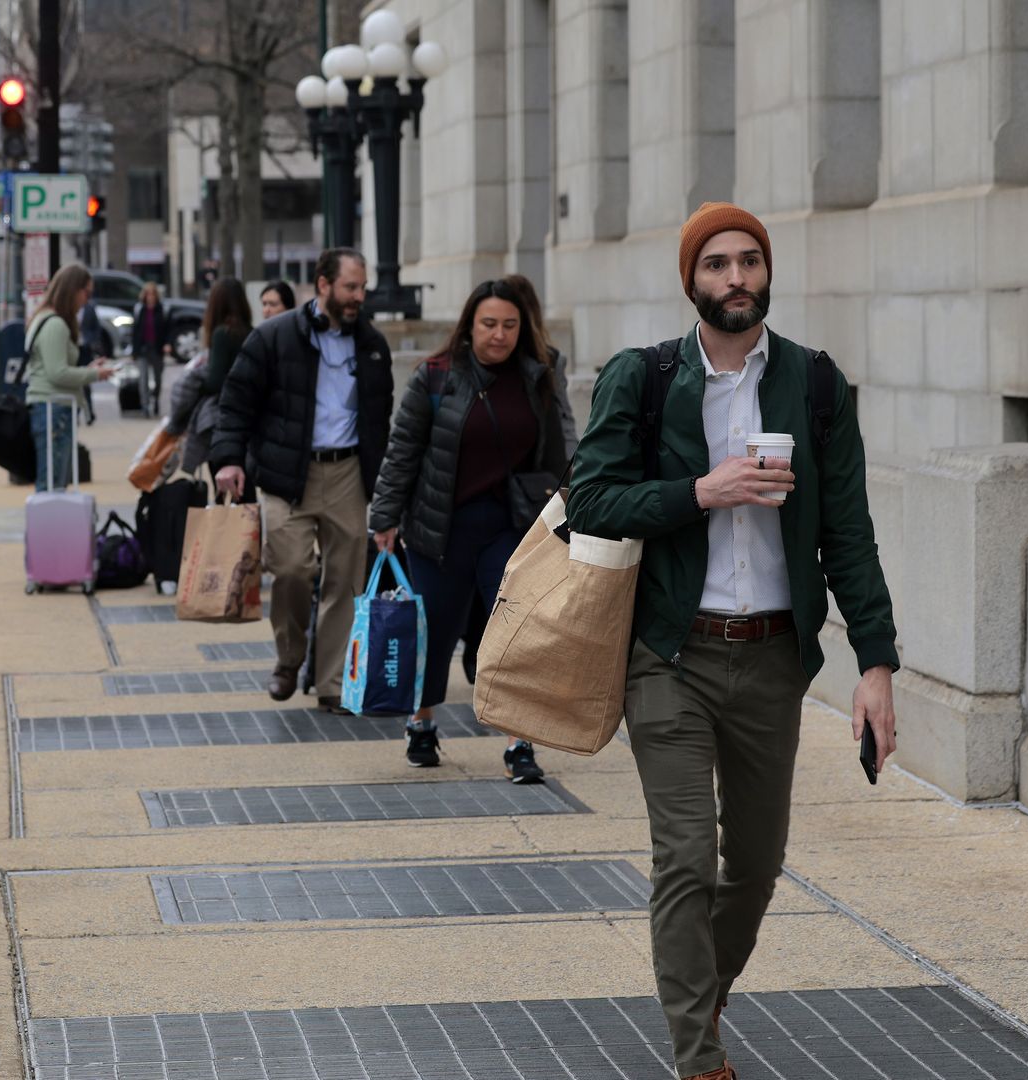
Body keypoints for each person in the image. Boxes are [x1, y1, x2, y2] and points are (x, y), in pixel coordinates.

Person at [567, 202, 899, 1080]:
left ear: (767, 274)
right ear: (692, 281)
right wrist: (700, 491)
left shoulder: (815, 383)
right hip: (669, 652)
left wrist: (875, 664)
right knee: (684, 857)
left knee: (753, 864)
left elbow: (849, 534)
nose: (736, 278)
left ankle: (700, 984)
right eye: (716, 264)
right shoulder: (643, 377)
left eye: (748, 261)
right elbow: (591, 501)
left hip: (772, 658)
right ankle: (699, 1055)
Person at [368, 281, 572, 778]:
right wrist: (384, 518)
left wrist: (574, 504)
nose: (498, 335)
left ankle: (519, 741)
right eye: (488, 324)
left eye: (509, 325)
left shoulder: (540, 376)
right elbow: (402, 452)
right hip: (440, 528)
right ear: (469, 325)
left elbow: (564, 445)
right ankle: (421, 724)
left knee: (513, 633)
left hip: (510, 527)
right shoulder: (435, 377)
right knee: (435, 631)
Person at [211, 249, 394, 714]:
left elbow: (381, 421)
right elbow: (234, 403)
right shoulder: (273, 337)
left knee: (345, 581)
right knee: (291, 568)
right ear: (323, 285)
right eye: (351, 287)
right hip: (286, 473)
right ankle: (290, 658)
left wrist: (386, 482)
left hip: (349, 473)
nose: (358, 297)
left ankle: (331, 683)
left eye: (363, 288)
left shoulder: (372, 344)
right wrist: (229, 460)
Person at [24, 265, 116, 491]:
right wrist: (94, 374)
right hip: (54, 409)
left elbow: (55, 367)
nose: (87, 299)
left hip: (50, 408)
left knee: (52, 483)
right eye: (87, 292)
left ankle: (48, 526)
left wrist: (87, 369)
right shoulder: (56, 324)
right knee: (53, 485)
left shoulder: (45, 318)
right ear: (73, 290)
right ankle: (49, 527)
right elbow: (58, 373)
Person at [166, 277, 251, 477]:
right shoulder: (251, 332)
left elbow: (215, 381)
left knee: (223, 481)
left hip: (224, 419)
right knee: (244, 484)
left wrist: (197, 382)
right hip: (248, 415)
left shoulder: (222, 334)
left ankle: (226, 511)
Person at [131, 282, 169, 418]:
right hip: (143, 348)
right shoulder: (139, 309)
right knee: (143, 379)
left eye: (153, 294)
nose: (150, 297)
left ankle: (156, 400)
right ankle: (145, 406)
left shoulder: (162, 310)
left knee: (158, 379)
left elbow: (167, 329)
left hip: (157, 348)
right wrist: (134, 351)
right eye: (148, 294)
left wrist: (167, 344)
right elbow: (135, 331)